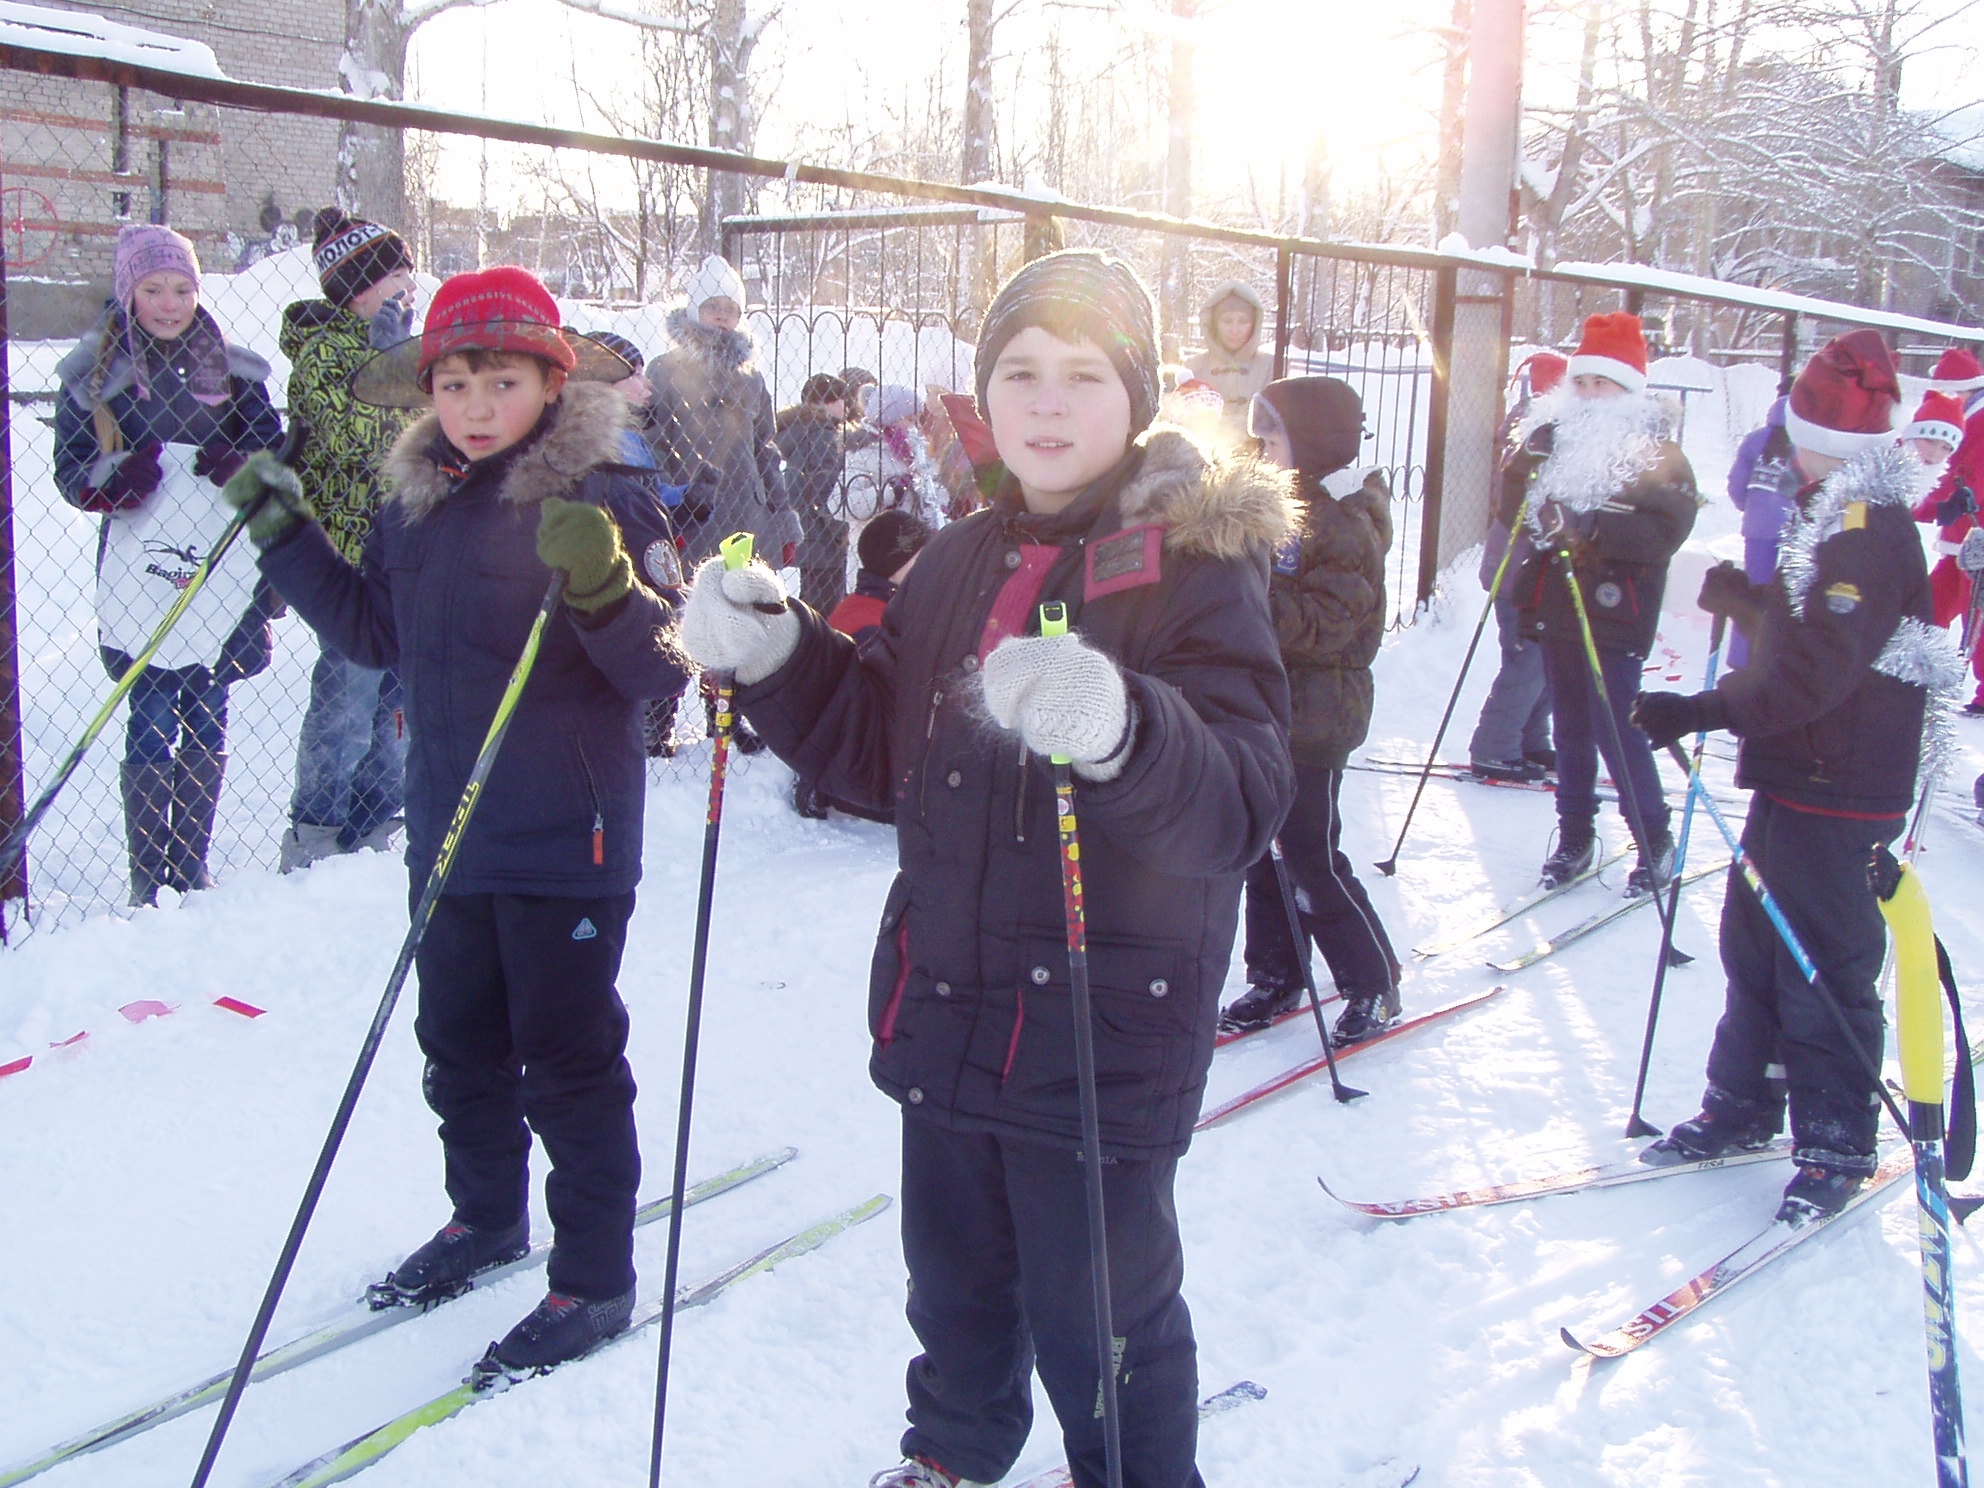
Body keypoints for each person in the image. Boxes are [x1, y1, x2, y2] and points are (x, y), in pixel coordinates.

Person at [674, 248, 1293, 1488]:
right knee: (953, 1278)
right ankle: (953, 1452)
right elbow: (874, 747)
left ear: (1134, 397)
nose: (1048, 401)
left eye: (1081, 374)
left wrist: (1123, 727)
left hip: (1099, 1030)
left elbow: (1238, 800)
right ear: (986, 396)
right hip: (948, 998)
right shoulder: (956, 558)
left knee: (1100, 1311)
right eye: (1020, 372)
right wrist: (779, 655)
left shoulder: (1192, 561)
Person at [226, 265, 690, 1370]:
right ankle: (486, 1219)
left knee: (565, 1064)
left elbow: (660, 671)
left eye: (501, 381)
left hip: (565, 842)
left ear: (549, 383)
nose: (476, 405)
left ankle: (593, 1282)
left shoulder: (605, 492)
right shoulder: (418, 501)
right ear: (429, 389)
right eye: (456, 382)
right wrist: (284, 532)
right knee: (459, 1047)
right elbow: (375, 635)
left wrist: (606, 590)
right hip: (450, 835)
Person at [1633, 328, 1941, 1222]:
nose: (1779, 438)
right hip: (1800, 772)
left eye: (1794, 421)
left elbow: (1820, 673)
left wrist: (1707, 709)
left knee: (1824, 963)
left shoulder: (1862, 529)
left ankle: (1838, 1139)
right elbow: (1809, 632)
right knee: (1758, 945)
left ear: (1824, 435)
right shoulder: (1830, 506)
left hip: (1841, 785)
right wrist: (1751, 603)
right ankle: (1744, 1103)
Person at [53, 223, 283, 906]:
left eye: (182, 287)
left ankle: (192, 863)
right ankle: (148, 874)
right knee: (151, 710)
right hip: (141, 572)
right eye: (153, 288)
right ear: (129, 291)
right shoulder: (96, 375)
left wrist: (240, 467)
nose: (169, 301)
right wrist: (116, 478)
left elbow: (273, 464)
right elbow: (73, 469)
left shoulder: (236, 376)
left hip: (217, 573)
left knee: (207, 708)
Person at [1218, 377, 1403, 1044]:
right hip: (1268, 705)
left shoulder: (1343, 524)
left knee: (1307, 852)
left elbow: (1330, 621)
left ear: (1314, 445)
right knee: (1263, 851)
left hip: (1319, 713)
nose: (1256, 445)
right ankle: (1275, 974)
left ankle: (1373, 980)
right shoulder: (1282, 506)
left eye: (1271, 434)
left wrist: (1250, 592)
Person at [1507, 312, 1697, 895]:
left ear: (1630, 390)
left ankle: (1654, 836)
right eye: (1582, 382)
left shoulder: (1656, 454)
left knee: (1619, 726)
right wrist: (1526, 471)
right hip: (1557, 603)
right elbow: (1511, 505)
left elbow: (1666, 530)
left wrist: (1590, 530)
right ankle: (1575, 832)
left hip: (1616, 609)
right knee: (1568, 725)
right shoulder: (1556, 438)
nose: (1589, 395)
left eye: (1602, 384)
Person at [274, 207, 419, 873]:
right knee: (346, 700)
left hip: (408, 559)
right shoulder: (323, 355)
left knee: (398, 706)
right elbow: (359, 438)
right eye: (393, 276)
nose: (407, 287)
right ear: (356, 286)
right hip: (348, 561)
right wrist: (384, 360)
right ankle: (316, 831)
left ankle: (375, 822)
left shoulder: (408, 352)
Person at [642, 254, 795, 565]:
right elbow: (653, 446)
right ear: (695, 310)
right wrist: (669, 511)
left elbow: (765, 450)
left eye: (730, 308)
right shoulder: (666, 370)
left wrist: (782, 520)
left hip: (748, 519)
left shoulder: (750, 377)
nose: (722, 316)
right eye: (713, 306)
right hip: (693, 518)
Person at [1469, 352, 1564, 781]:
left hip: (1536, 570)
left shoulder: (1554, 428)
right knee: (1527, 660)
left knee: (1546, 660)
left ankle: (1531, 739)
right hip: (1516, 568)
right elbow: (1514, 497)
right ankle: (1495, 745)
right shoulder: (1531, 431)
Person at [1910, 349, 1984, 710]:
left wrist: (1928, 506)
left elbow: (1966, 481)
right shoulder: (1962, 420)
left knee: (1977, 618)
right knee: (1931, 606)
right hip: (1962, 536)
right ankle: (1909, 668)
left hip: (1975, 536)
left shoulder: (1979, 423)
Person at [1723, 391, 1795, 668]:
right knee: (1786, 595)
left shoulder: (1755, 440)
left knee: (1753, 592)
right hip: (1794, 530)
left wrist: (1748, 506)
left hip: (1757, 528)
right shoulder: (1808, 443)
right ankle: (1774, 657)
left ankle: (1741, 656)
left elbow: (1736, 482)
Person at [778, 372, 855, 612]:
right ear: (831, 401)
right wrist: (840, 530)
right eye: (844, 400)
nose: (848, 407)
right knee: (828, 607)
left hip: (807, 532)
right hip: (826, 535)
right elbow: (827, 488)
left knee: (812, 601)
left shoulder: (799, 431)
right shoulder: (825, 436)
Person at [1184, 281, 1270, 443]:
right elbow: (1186, 424)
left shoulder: (1269, 365)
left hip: (1259, 460)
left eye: (1243, 321)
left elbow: (1275, 425)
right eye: (1227, 320)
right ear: (1214, 324)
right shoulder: (1193, 366)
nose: (1234, 330)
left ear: (1254, 325)